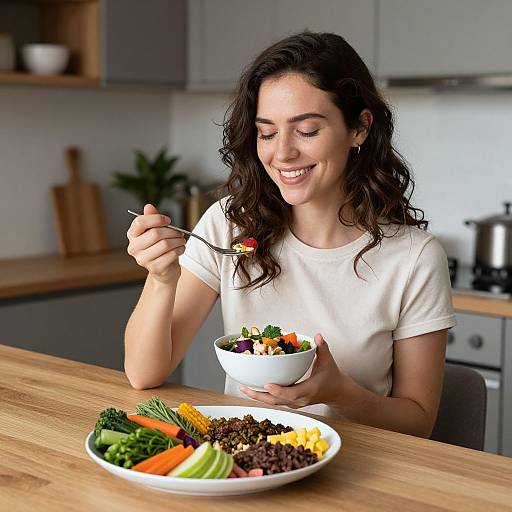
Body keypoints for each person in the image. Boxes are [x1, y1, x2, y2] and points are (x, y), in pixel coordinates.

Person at [124, 32, 456, 438]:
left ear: (360, 128)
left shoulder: (414, 257)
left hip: (358, 476)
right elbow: (143, 374)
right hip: (244, 462)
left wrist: (341, 394)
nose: (282, 154)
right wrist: (161, 279)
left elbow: (419, 422)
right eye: (267, 133)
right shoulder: (230, 225)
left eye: (307, 130)